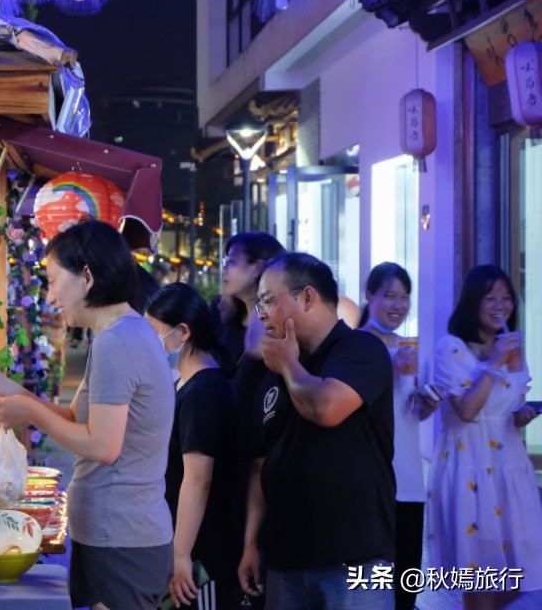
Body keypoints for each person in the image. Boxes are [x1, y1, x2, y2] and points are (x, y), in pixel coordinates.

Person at [0, 220, 175, 610]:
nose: (50, 295)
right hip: (113, 533)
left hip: (122, 538)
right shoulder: (119, 334)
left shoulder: (118, 341)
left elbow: (103, 447)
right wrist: (3, 387)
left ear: (87, 278)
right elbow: (77, 420)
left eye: (54, 280)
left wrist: (29, 411)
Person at [238, 252, 395, 610]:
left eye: (267, 300)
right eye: (258, 304)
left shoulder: (360, 349)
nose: (260, 314)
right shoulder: (275, 368)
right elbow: (261, 464)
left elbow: (325, 408)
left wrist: (288, 364)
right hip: (285, 557)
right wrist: (250, 543)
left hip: (355, 559)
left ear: (307, 297)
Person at [428, 264, 542, 610]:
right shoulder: (451, 348)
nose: (501, 305)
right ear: (473, 301)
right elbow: (466, 410)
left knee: (518, 572)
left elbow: (508, 410)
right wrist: (493, 362)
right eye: (491, 297)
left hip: (509, 467)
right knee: (480, 576)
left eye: (506, 298)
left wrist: (523, 413)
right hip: (469, 468)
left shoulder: (511, 350)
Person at [145, 283, 242, 610]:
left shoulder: (203, 394)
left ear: (183, 332)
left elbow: (198, 478)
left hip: (203, 551)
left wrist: (181, 554)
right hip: (187, 543)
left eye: (154, 334)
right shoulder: (187, 382)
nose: (149, 345)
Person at [358, 262, 438, 610]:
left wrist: (427, 403)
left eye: (405, 297)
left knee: (407, 576)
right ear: (369, 295)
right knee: (368, 578)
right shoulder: (356, 345)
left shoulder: (409, 347)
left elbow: (412, 413)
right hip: (370, 477)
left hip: (408, 476)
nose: (398, 305)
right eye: (389, 295)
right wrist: (387, 369)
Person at [210, 232, 286, 378]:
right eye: (225, 262)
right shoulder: (220, 309)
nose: (224, 269)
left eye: (232, 262)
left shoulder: (276, 319)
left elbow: (255, 348)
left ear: (256, 268)